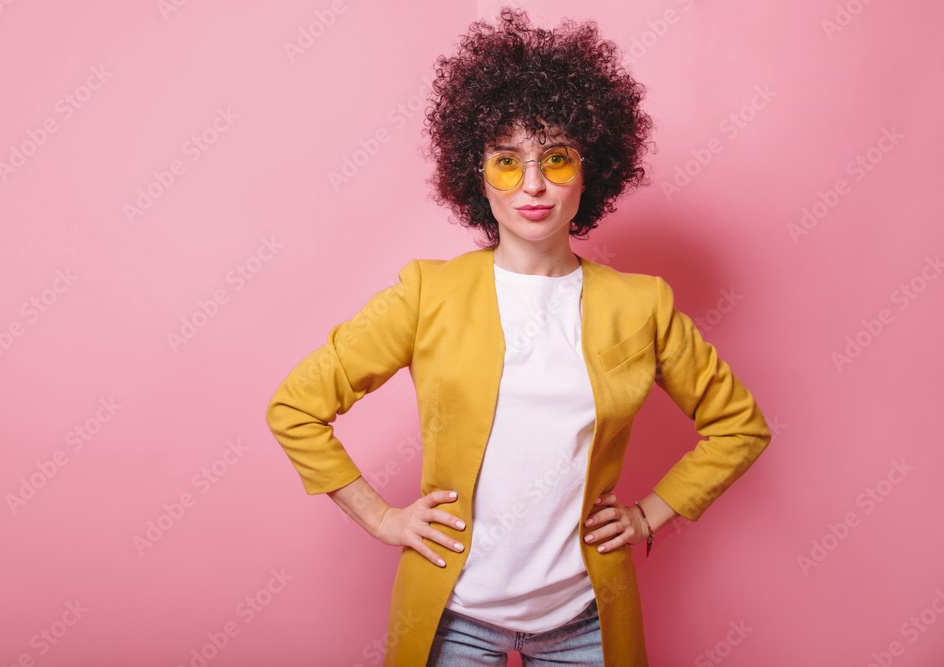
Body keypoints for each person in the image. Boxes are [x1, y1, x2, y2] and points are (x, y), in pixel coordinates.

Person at [266, 8, 772, 666]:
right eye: (507, 162)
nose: (533, 184)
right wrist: (382, 517)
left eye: (556, 158)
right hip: (454, 617)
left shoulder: (642, 305)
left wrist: (651, 513)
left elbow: (739, 426)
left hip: (585, 618)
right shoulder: (427, 293)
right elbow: (296, 407)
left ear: (590, 169)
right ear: (477, 174)